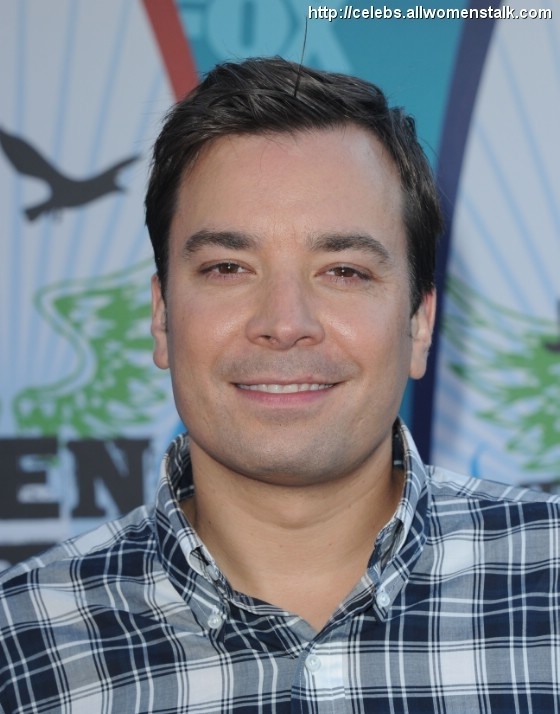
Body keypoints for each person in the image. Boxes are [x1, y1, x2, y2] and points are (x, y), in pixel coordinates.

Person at [0, 57, 558, 713]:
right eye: (228, 268)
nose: (285, 324)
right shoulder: (20, 639)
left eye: (344, 271)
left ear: (419, 324)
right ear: (161, 317)